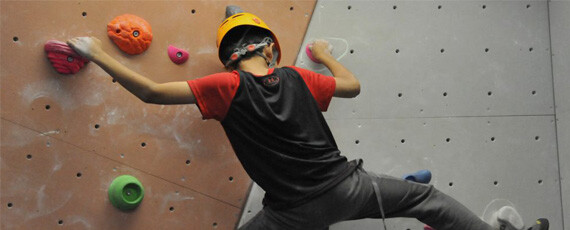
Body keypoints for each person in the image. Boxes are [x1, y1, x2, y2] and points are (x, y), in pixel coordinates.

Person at [67, 8, 549, 230]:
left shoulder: (224, 88)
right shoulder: (299, 77)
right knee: (425, 200)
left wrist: (94, 53)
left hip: (291, 214)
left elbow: (151, 92)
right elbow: (354, 86)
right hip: (350, 189)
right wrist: (323, 55)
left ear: (228, 60)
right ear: (272, 50)